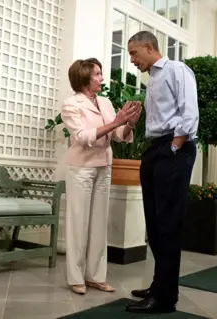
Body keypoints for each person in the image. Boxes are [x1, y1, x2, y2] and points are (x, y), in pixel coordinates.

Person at [124, 31, 198, 313]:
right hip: (156, 149)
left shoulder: (177, 70)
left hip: (173, 148)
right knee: (154, 223)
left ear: (149, 46)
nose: (131, 59)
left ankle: (165, 298)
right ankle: (159, 284)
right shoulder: (153, 79)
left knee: (168, 224)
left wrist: (175, 146)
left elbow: (189, 112)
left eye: (134, 53)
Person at [61, 58, 141, 295]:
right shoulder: (70, 104)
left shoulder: (104, 102)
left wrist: (127, 125)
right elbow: (83, 136)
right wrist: (117, 120)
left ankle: (96, 276)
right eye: (97, 74)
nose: (101, 78)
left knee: (98, 224)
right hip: (81, 169)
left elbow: (117, 135)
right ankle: (75, 278)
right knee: (78, 224)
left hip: (104, 167)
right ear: (85, 77)